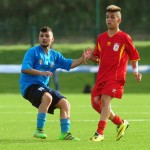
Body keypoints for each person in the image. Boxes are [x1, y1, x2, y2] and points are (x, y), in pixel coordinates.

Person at [19, 26, 91, 140]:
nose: (44, 38)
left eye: (47, 36)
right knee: (47, 97)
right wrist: (41, 73)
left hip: (42, 87)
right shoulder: (32, 52)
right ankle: (39, 130)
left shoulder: (55, 55)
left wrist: (82, 59)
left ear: (52, 39)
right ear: (38, 38)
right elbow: (24, 68)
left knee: (65, 103)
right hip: (29, 86)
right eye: (41, 36)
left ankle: (65, 134)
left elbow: (69, 64)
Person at [88, 5, 142, 142]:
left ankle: (99, 133)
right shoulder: (101, 38)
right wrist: (89, 57)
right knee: (96, 103)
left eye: (112, 17)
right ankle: (120, 123)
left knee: (105, 101)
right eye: (107, 17)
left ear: (119, 20)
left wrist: (136, 71)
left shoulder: (124, 37)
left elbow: (134, 55)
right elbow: (97, 57)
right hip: (102, 76)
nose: (109, 20)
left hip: (116, 76)